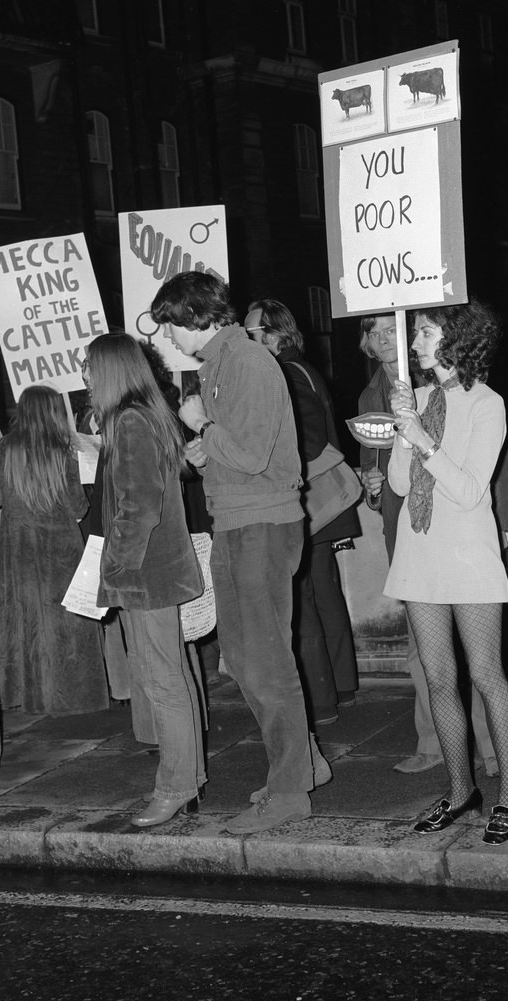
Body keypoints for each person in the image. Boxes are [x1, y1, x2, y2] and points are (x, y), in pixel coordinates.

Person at [151, 271, 328, 835]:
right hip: (240, 521)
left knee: (265, 661)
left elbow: (251, 455)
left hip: (261, 525)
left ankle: (291, 790)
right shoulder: (219, 365)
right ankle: (305, 764)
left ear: (195, 318)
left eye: (169, 327)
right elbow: (247, 449)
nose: (166, 339)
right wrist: (207, 447)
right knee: (250, 659)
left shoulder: (246, 362)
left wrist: (204, 424)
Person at [385, 300, 508, 844]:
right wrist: (403, 430)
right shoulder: (417, 400)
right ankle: (460, 788)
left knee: (487, 676)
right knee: (439, 680)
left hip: (467, 555)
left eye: (425, 332)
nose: (415, 342)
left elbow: (469, 491)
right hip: (420, 553)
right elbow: (400, 486)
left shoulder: (488, 404)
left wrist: (422, 437)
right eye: (416, 332)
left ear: (458, 341)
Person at [84, 331, 206, 828]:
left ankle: (176, 785)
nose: (85, 377)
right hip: (153, 570)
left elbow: (139, 508)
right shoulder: (141, 416)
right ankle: (187, 780)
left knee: (163, 682)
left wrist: (113, 566)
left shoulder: (131, 422)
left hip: (145, 574)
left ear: (110, 371)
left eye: (89, 368)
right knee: (172, 676)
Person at [244, 299, 360, 728]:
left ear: (275, 335)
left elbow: (309, 442)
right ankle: (341, 686)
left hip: (306, 503)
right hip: (321, 505)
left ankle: (322, 700)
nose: (247, 342)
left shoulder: (288, 375)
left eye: (252, 334)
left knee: (304, 603)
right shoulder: (302, 369)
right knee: (323, 595)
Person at [0, 385, 107, 715]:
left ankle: (28, 695)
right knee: (67, 626)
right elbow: (78, 506)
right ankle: (73, 698)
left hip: (17, 550)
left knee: (25, 624)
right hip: (60, 549)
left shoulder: (4, 449)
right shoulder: (64, 450)